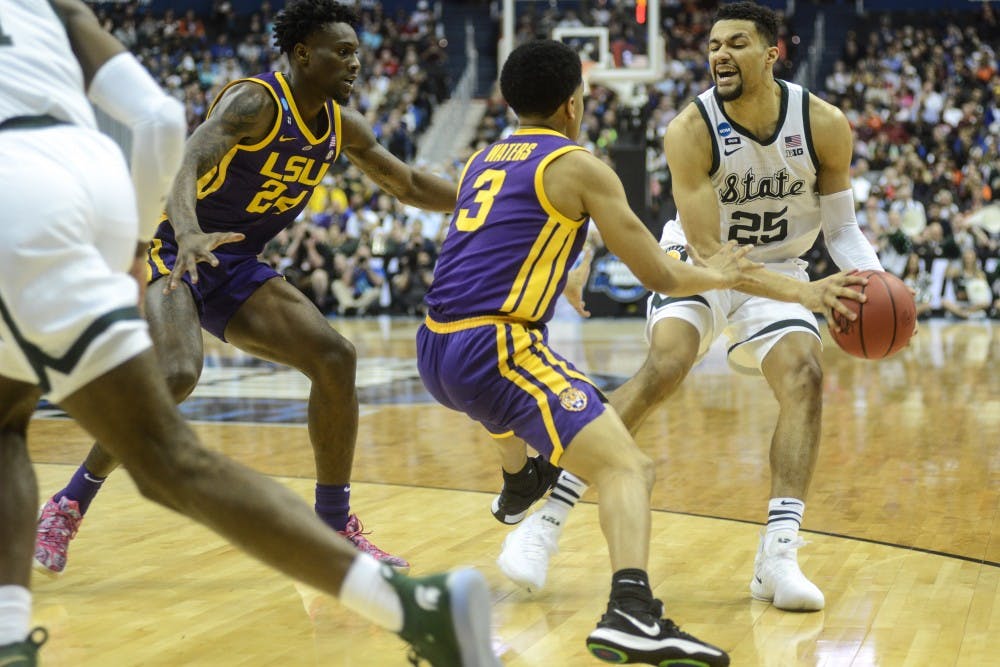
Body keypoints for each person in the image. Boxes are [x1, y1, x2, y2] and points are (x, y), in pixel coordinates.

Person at [0, 1, 497, 666]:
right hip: (178, 246)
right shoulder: (253, 102)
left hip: (233, 261)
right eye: (340, 52)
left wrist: (479, 198)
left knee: (333, 356)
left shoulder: (339, 124)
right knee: (176, 375)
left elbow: (404, 180)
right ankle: (68, 503)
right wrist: (181, 230)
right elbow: (184, 160)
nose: (355, 62)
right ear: (301, 55)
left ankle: (333, 522)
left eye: (356, 52)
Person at [496, 1, 877, 614]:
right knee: (666, 364)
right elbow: (709, 253)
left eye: (736, 44)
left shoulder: (824, 123)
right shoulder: (690, 129)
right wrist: (810, 295)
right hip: (702, 261)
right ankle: (547, 520)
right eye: (714, 46)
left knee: (805, 374)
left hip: (778, 264)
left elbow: (844, 232)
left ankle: (779, 555)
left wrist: (878, 284)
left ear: (772, 52)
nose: (720, 55)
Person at [417, 38, 769, 666]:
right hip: (495, 346)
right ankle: (632, 613)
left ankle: (521, 478)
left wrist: (570, 267)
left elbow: (516, 232)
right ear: (574, 102)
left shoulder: (481, 159)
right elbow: (660, 274)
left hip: (434, 347)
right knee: (627, 467)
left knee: (508, 403)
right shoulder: (581, 164)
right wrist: (716, 275)